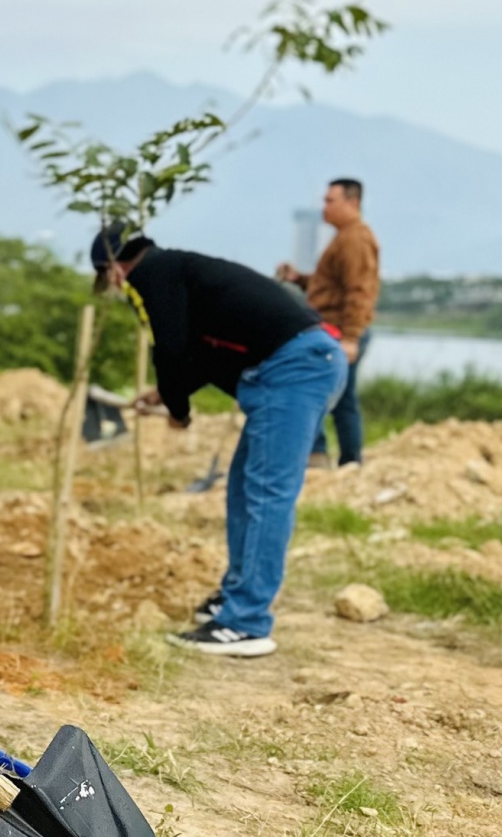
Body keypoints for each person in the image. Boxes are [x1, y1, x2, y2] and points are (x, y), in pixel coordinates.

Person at [96, 225, 343, 658]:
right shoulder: (177, 269)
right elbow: (204, 354)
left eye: (109, 278)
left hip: (296, 369)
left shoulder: (152, 275)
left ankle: (246, 622)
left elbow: (169, 349)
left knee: (266, 493)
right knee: (245, 487)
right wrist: (167, 395)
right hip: (297, 364)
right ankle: (235, 597)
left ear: (115, 268)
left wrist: (177, 409)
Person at [278, 177, 379, 469]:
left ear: (352, 202)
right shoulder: (344, 236)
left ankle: (333, 456)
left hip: (339, 331)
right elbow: (333, 287)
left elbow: (359, 291)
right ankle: (342, 458)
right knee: (337, 394)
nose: (324, 207)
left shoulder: (355, 240)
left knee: (324, 390)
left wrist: (350, 337)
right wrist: (300, 279)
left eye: (329, 201)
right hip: (332, 328)